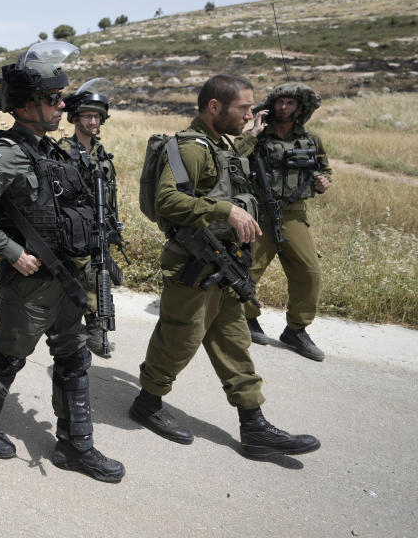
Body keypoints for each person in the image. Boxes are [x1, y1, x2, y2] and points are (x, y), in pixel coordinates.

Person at [0, 41, 125, 483]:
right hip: (29, 282)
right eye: (53, 100)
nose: (62, 105)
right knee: (9, 356)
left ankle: (75, 445)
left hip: (66, 276)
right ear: (27, 106)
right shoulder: (8, 152)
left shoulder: (52, 151)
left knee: (73, 357)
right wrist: (12, 252)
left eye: (61, 97)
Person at [130, 74, 321, 459]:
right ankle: (146, 404)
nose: (250, 115)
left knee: (235, 342)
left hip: (225, 262)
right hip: (194, 265)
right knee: (180, 339)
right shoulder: (189, 147)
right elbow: (168, 201)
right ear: (214, 107)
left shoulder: (222, 146)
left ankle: (254, 427)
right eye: (244, 108)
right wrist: (226, 210)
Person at [236, 83, 331, 361]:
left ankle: (296, 330)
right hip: (260, 213)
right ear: (272, 105)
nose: (284, 108)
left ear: (299, 108)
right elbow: (232, 158)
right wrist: (253, 132)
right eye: (280, 102)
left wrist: (324, 181)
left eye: (290, 103)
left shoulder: (310, 139)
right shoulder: (258, 136)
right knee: (249, 268)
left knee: (308, 272)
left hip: (293, 213)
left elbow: (323, 168)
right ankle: (247, 318)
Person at [58, 78, 125, 358]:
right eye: (88, 116)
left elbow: (110, 192)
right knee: (87, 272)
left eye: (97, 116)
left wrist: (115, 224)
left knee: (102, 270)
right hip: (75, 224)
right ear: (75, 119)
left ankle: (94, 323)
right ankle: (94, 326)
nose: (94, 121)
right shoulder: (64, 150)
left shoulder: (102, 154)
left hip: (101, 223)